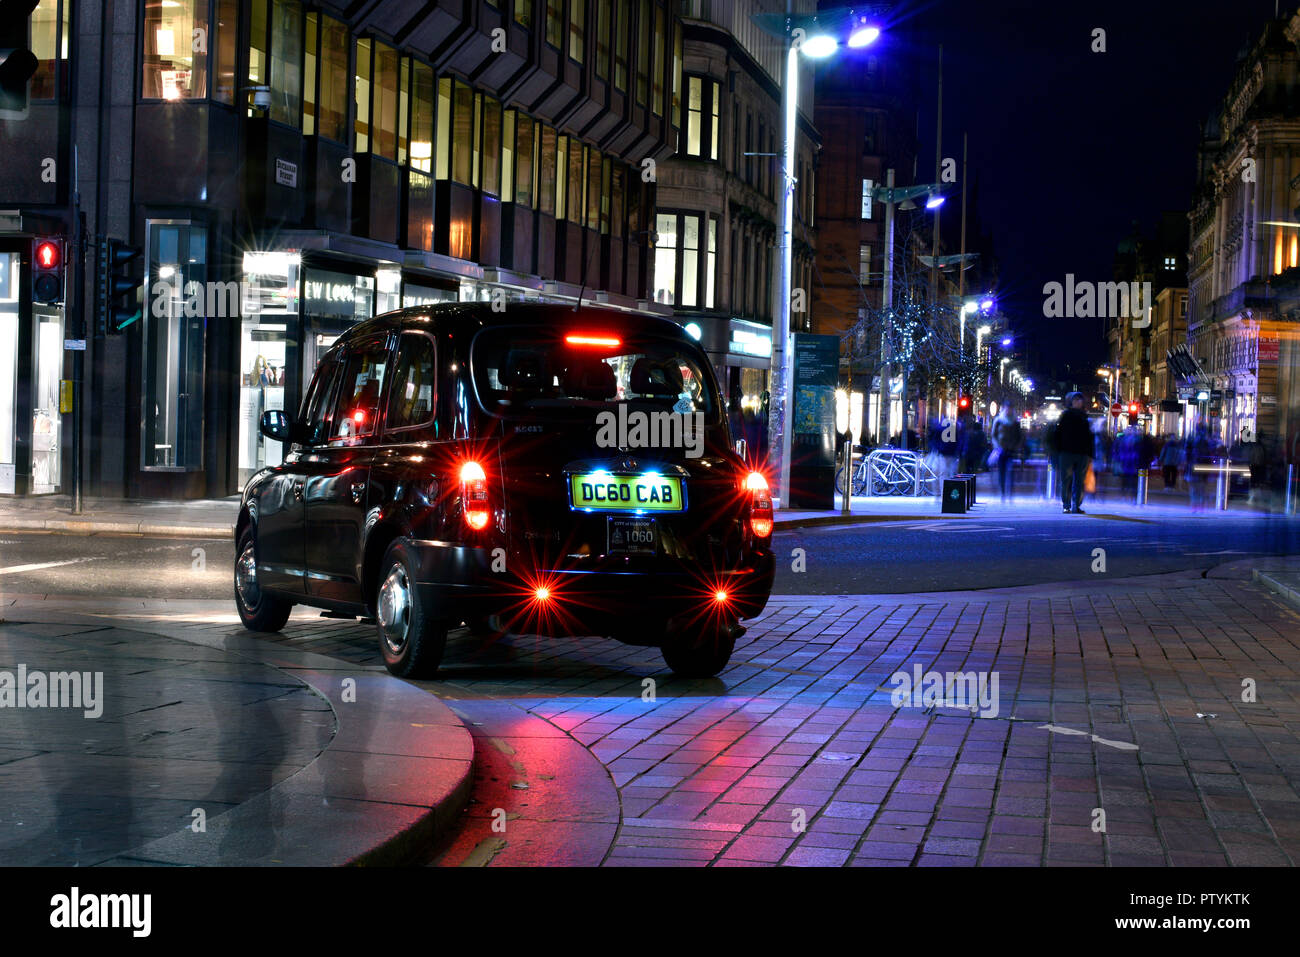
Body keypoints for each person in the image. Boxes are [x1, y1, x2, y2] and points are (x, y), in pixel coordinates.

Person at [1053, 391, 1094, 513]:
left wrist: (1090, 454)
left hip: (1082, 453)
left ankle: (1076, 505)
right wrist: (1057, 451)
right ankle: (1066, 505)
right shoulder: (1066, 416)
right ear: (1070, 402)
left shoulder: (1084, 416)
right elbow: (1057, 435)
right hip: (1067, 452)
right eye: (1076, 400)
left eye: (1080, 400)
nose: (1078, 402)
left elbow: (1089, 436)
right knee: (1066, 480)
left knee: (1080, 481)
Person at [991, 405, 1023, 503]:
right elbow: (994, 434)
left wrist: (1016, 447)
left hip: (1011, 450)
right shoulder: (999, 421)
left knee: (1010, 471)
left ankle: (1010, 492)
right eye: (1007, 408)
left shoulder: (1015, 422)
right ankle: (1003, 492)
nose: (1008, 410)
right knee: (1002, 472)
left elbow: (1019, 436)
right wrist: (997, 446)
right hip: (1001, 450)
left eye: (1010, 408)